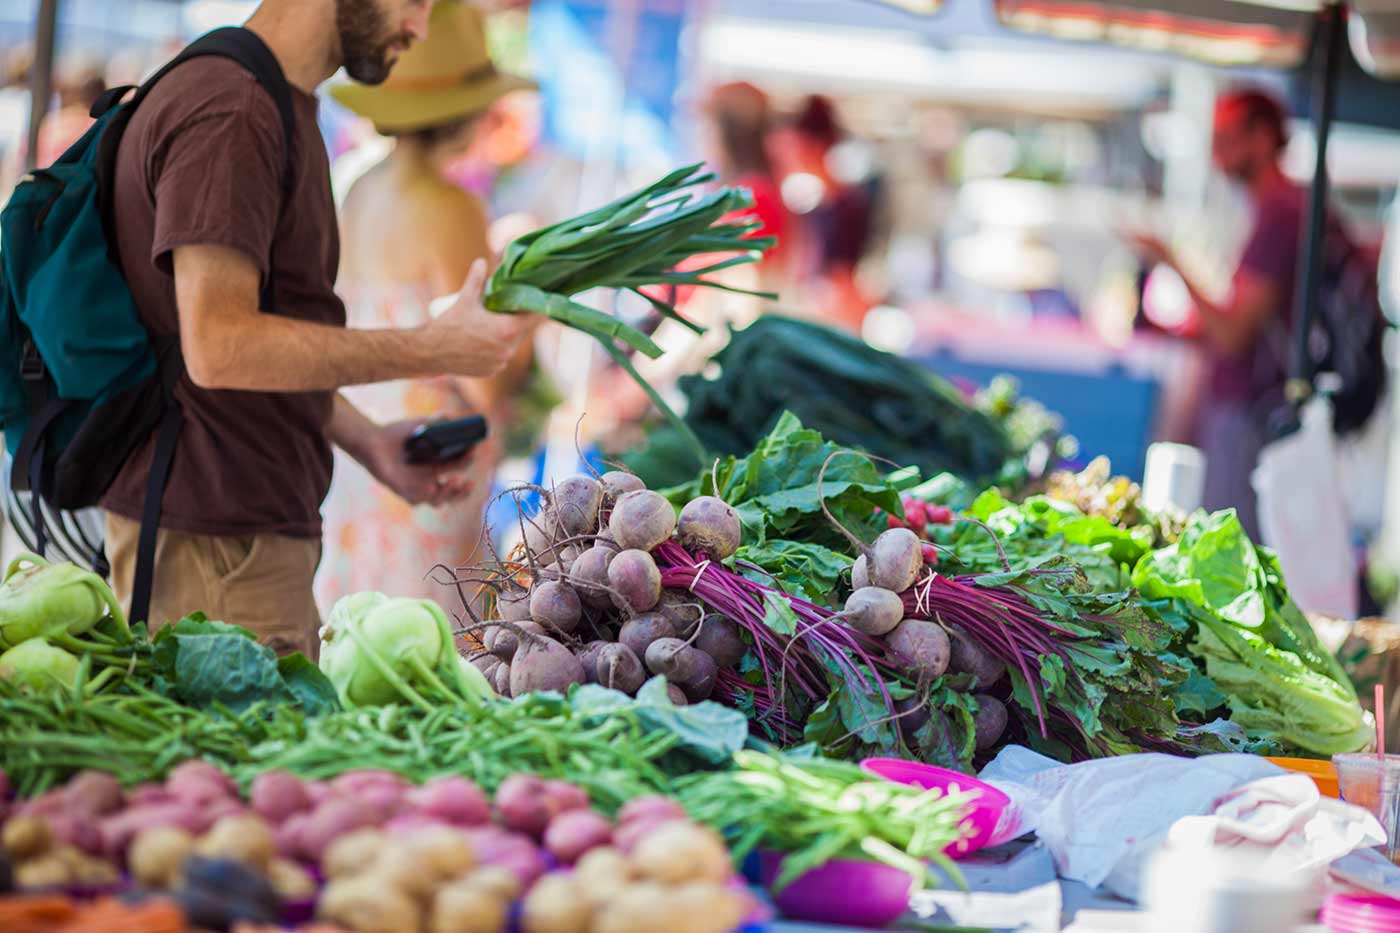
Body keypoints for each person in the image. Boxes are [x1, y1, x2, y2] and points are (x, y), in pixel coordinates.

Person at [101, 0, 536, 657]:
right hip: (218, 544)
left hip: (244, 539)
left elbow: (268, 335)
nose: (419, 27)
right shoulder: (235, 108)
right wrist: (433, 346)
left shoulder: (279, 108)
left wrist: (366, 439)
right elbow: (220, 346)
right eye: (415, 1)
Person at [318, 1, 535, 609]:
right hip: (427, 473)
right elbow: (485, 376)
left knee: (354, 636)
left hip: (359, 459)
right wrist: (533, 320)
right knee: (420, 650)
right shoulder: (451, 208)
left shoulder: (355, 183)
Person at [1127, 88, 1337, 539]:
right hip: (1249, 410)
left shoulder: (1282, 212)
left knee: (1224, 547)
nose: (1216, 150)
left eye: (1226, 136)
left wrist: (1170, 260)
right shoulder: (1275, 210)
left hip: (1252, 412)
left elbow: (1234, 333)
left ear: (1262, 138)